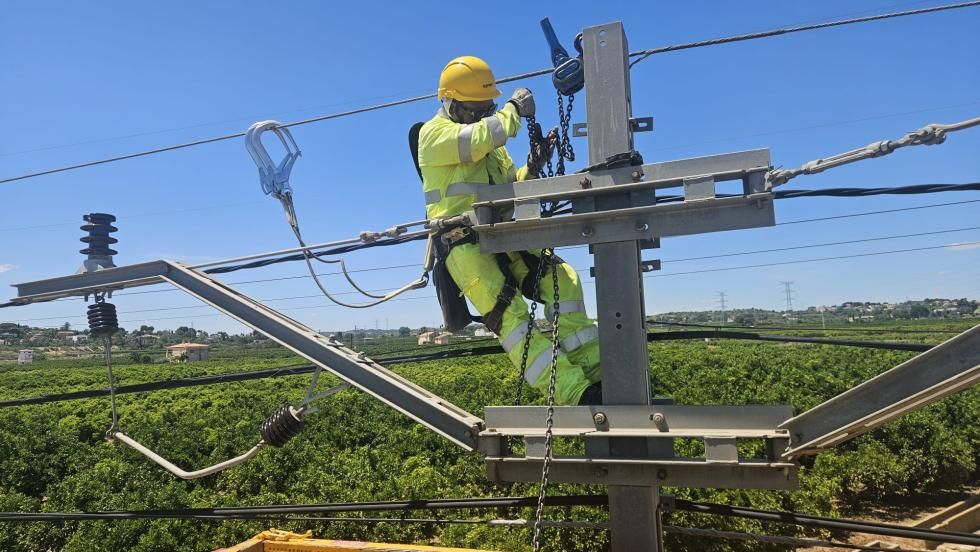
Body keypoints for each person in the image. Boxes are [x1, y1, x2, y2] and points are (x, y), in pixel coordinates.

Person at [418, 55, 602, 406]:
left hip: (501, 234)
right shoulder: (433, 135)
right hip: (463, 245)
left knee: (563, 281)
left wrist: (533, 165)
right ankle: (576, 394)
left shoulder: (491, 149)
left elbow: (510, 185)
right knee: (512, 317)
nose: (481, 117)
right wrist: (513, 109)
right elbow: (482, 136)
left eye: (486, 110)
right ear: (451, 103)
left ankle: (597, 374)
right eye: (475, 111)